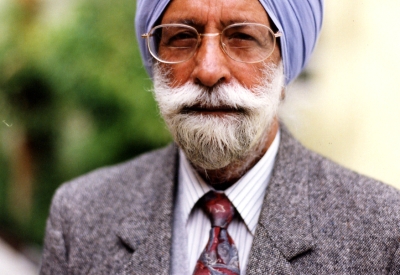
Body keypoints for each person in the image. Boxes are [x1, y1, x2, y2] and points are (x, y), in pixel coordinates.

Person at [40, 0, 400, 274]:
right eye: (182, 36)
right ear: (156, 57)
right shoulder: (80, 215)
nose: (209, 70)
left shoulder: (382, 228)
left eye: (242, 36)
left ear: (285, 62)